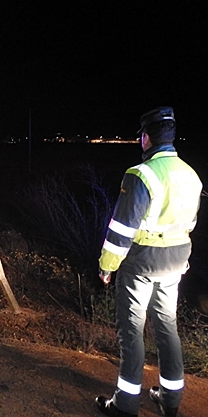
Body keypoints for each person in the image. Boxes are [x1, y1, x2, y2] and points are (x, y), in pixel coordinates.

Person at [95, 106, 202, 417]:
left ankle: (125, 405)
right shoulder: (191, 175)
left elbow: (121, 228)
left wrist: (107, 266)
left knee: (131, 331)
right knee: (167, 328)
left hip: (141, 264)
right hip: (176, 261)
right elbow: (190, 222)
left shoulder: (141, 175)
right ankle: (170, 400)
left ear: (146, 139)